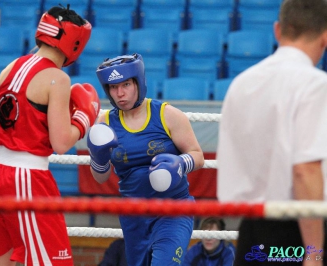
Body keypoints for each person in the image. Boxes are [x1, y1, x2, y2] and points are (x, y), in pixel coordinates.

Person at [0, 5, 99, 266]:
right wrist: (84, 118)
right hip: (25, 179)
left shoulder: (12, 66)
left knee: (0, 261)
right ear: (75, 42)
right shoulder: (57, 79)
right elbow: (61, 143)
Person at [216, 0, 327, 265]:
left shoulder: (242, 84)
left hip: (251, 231)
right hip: (298, 232)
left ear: (278, 30)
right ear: (324, 38)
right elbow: (305, 170)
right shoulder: (313, 84)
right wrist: (314, 253)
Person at [87, 53, 205, 265]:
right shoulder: (104, 122)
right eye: (113, 87)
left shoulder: (167, 114)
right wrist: (98, 157)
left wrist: (180, 164)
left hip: (173, 210)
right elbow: (100, 178)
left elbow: (198, 156)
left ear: (138, 83)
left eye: (126, 85)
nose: (120, 93)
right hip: (134, 215)